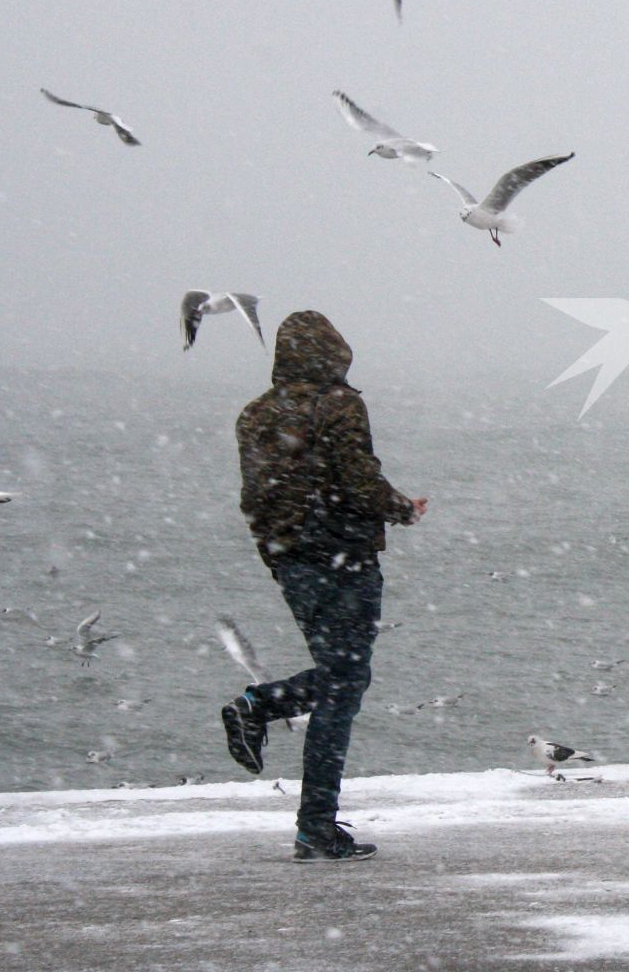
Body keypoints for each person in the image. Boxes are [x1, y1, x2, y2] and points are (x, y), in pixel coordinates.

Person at [220, 311, 426, 861]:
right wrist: (402, 509)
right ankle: (311, 819)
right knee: (346, 681)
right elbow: (358, 480)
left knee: (341, 677)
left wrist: (277, 550)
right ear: (334, 352)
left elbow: (256, 498)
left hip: (291, 560)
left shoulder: (255, 414)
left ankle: (263, 716)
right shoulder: (338, 404)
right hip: (343, 556)